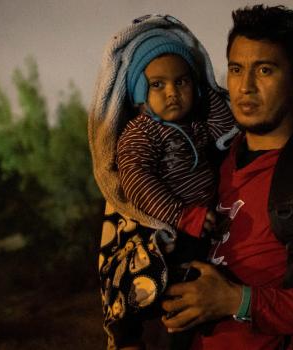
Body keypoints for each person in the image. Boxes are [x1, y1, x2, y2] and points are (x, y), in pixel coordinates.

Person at [160, 5, 293, 349]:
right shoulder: (212, 160)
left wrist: (236, 301)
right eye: (236, 69)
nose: (245, 87)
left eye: (265, 70)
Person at [87, 15, 237, 350]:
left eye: (182, 82)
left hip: (199, 232)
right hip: (165, 235)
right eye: (158, 85)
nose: (172, 93)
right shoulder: (140, 133)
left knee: (194, 314)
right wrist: (183, 216)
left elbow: (226, 130)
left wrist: (208, 93)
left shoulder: (196, 123)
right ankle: (130, 333)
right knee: (165, 313)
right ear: (140, 92)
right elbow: (138, 182)